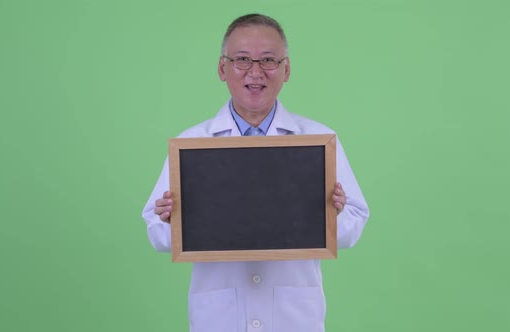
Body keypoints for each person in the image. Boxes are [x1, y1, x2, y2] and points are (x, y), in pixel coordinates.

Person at [142, 13, 369, 332]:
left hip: (294, 317)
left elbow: (354, 221)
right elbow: (156, 229)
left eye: (268, 60)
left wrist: (334, 213)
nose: (255, 71)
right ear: (223, 68)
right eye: (242, 59)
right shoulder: (192, 143)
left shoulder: (318, 140)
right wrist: (173, 219)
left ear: (286, 69)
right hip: (220, 317)